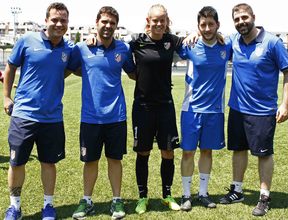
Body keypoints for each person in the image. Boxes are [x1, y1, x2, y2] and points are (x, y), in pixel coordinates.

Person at [219, 3, 288, 217]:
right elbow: (213, 37)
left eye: (244, 17)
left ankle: (264, 196)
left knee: (263, 154)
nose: (241, 22)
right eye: (236, 19)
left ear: (253, 17)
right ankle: (237, 190)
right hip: (237, 109)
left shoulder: (272, 42)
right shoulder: (233, 40)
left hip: (262, 111)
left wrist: (285, 104)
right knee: (238, 149)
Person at [3, 2, 72, 220]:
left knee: (49, 162)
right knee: (16, 162)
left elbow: (73, 67)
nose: (59, 24)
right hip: (24, 115)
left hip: (52, 117)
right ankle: (15, 207)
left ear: (68, 24)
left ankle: (48, 206)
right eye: (55, 19)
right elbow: (11, 67)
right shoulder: (26, 40)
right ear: (46, 21)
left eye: (63, 20)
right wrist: (6, 97)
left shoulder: (69, 48)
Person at [68, 6, 135, 220]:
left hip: (116, 116)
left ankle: (117, 200)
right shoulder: (81, 48)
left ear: (116, 26)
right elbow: (70, 69)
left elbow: (134, 74)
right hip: (90, 117)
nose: (107, 26)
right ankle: (87, 200)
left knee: (115, 159)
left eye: (112, 23)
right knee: (90, 161)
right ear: (96, 23)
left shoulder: (123, 49)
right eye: (104, 22)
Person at [129, 4, 184, 214]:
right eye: (155, 20)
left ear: (167, 21)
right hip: (142, 107)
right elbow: (117, 48)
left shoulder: (172, 40)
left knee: (168, 152)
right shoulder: (136, 41)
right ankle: (142, 197)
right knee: (143, 152)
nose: (159, 24)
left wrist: (200, 32)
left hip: (165, 106)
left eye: (163, 20)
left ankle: (167, 195)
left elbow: (194, 41)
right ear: (148, 21)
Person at [178, 6, 232, 211]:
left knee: (207, 151)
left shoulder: (227, 46)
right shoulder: (189, 46)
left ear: (218, 25)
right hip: (191, 109)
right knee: (188, 153)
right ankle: (185, 195)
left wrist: (220, 35)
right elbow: (170, 44)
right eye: (203, 25)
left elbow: (245, 35)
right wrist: (191, 34)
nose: (207, 28)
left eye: (211, 24)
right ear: (198, 26)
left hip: (215, 111)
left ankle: (202, 193)